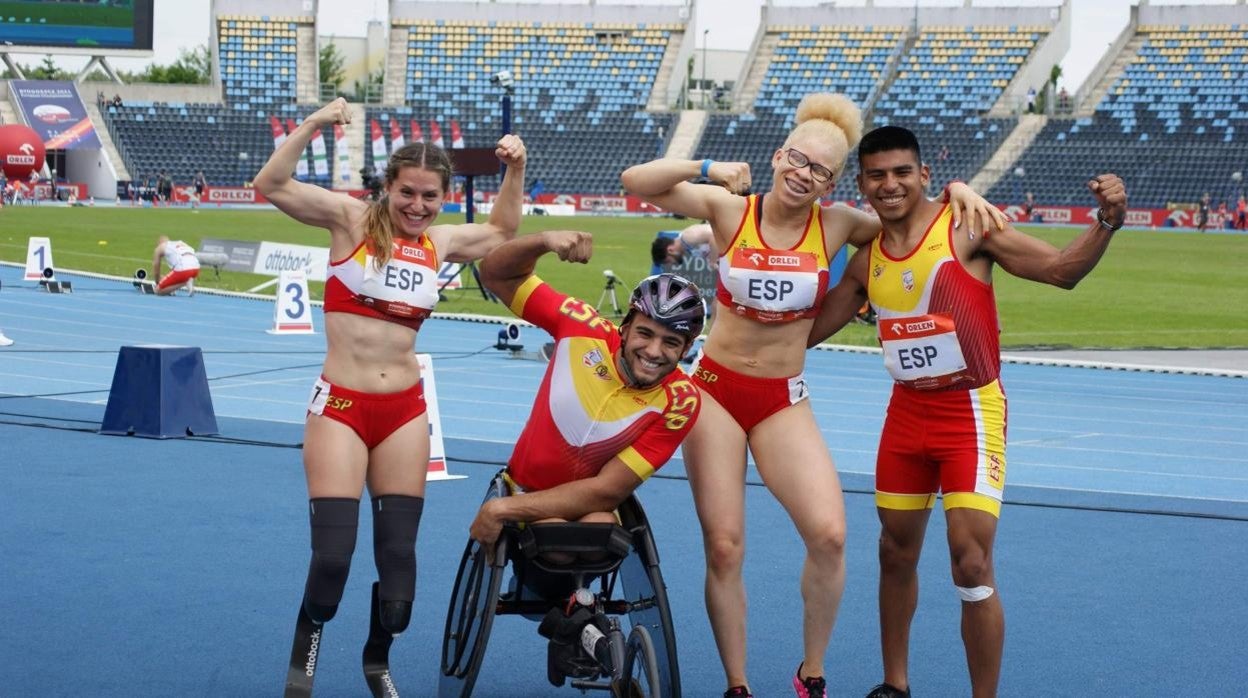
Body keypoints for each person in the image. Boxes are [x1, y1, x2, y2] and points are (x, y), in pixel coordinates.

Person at [620, 92, 1005, 698]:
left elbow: (917, 219)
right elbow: (635, 179)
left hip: (782, 397)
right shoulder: (729, 209)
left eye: (820, 170)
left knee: (829, 535)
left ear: (832, 183)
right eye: (797, 160)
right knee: (724, 545)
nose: (803, 175)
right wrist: (708, 169)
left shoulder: (840, 225)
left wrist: (957, 191)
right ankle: (738, 685)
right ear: (779, 156)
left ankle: (812, 674)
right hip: (716, 393)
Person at [806, 125, 1127, 698]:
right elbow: (803, 335)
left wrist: (1106, 221)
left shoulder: (967, 227)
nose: (891, 184)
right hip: (906, 415)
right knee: (893, 551)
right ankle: (895, 685)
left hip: (970, 413)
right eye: (877, 175)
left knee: (971, 562)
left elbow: (1061, 271)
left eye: (902, 171)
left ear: (924, 176)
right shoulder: (865, 263)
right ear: (862, 185)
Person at [251, 97, 526, 694]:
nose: (418, 206)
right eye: (408, 193)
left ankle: (377, 659)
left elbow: (505, 229)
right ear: (388, 187)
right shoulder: (349, 221)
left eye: (430, 196)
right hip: (343, 409)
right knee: (332, 559)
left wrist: (515, 168)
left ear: (444, 196)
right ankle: (305, 656)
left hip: (405, 411)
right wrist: (317, 124)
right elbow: (271, 183)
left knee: (399, 576)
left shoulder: (442, 243)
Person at [468, 230, 704, 553]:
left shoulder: (682, 401)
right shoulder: (580, 325)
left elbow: (607, 492)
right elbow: (494, 273)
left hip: (591, 510)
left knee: (597, 527)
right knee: (558, 535)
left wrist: (500, 510)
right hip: (525, 491)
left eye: (671, 342)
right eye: (645, 334)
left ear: (688, 347)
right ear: (626, 325)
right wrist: (545, 241)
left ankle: (568, 602)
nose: (653, 351)